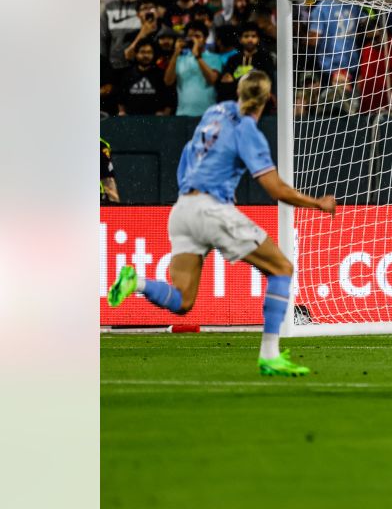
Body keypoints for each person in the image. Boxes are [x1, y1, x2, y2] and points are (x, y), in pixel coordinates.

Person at [107, 71, 337, 376]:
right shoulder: (248, 131)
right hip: (211, 210)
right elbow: (275, 188)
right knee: (282, 268)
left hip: (183, 209)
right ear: (269, 101)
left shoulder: (214, 112)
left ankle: (138, 282)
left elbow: (187, 155)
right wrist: (316, 202)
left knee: (183, 301)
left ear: (238, 93)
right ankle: (270, 354)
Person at [165, 22, 224, 116]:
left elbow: (212, 79)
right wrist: (176, 53)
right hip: (182, 114)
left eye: (197, 36)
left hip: (208, 114)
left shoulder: (214, 58)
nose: (193, 40)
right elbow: (168, 81)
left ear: (205, 38)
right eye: (190, 36)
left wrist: (197, 56)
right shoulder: (180, 59)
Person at [100, 138, 121, 205]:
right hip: (106, 175)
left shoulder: (102, 144)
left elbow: (106, 163)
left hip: (106, 176)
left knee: (113, 200)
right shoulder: (103, 144)